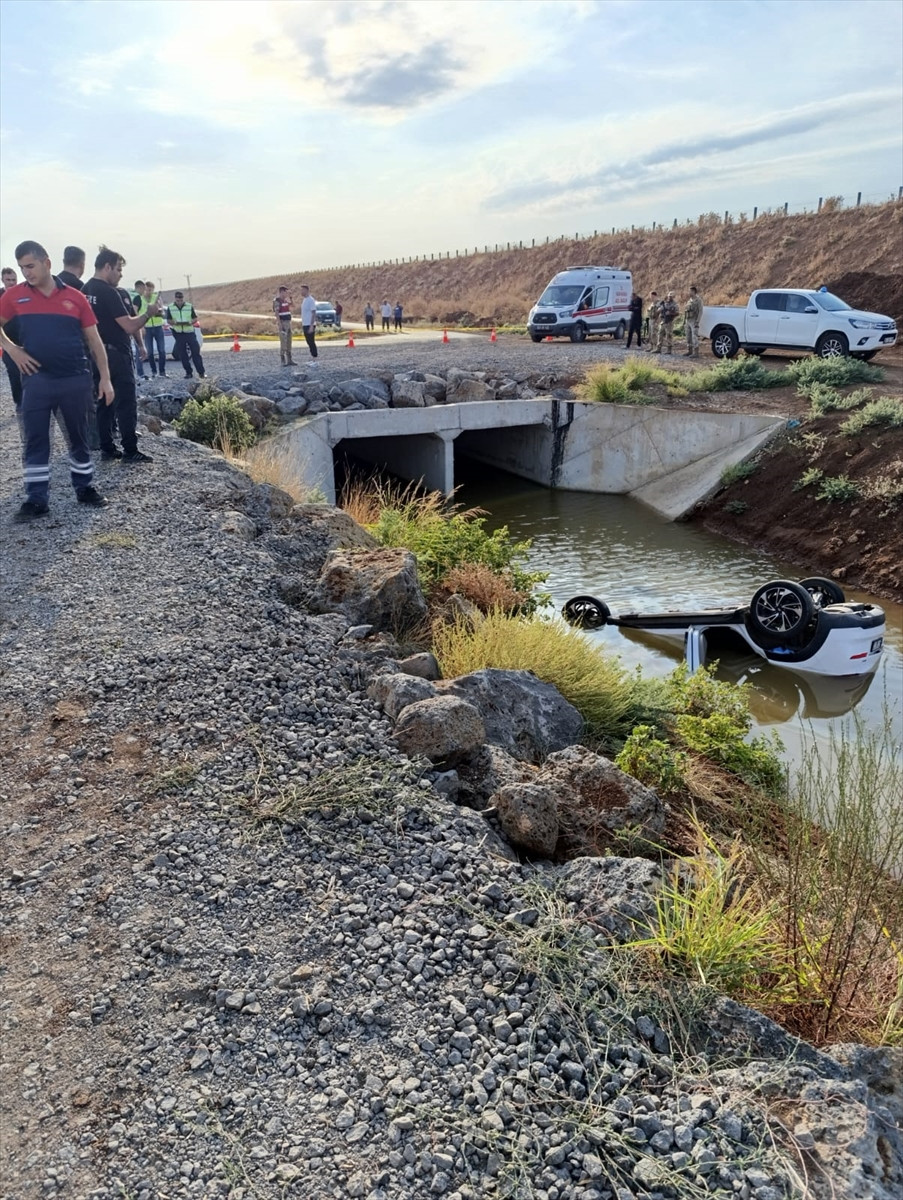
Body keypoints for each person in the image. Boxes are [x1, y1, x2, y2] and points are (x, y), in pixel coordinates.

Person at [0, 240, 112, 520]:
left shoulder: (75, 297)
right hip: (37, 381)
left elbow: (95, 340)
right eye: (22, 267)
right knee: (36, 440)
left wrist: (106, 379)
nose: (26, 273)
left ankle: (85, 488)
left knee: (79, 437)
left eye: (30, 266)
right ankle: (36, 500)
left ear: (47, 263)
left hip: (75, 379)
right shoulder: (14, 296)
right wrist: (12, 350)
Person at [82, 245, 156, 462]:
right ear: (107, 267)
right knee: (125, 402)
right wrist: (149, 313)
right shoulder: (108, 292)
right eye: (118, 269)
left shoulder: (85, 290)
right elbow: (129, 325)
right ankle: (130, 450)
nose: (121, 274)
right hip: (116, 355)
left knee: (103, 402)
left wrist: (140, 345)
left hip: (96, 355)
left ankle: (107, 448)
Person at [165, 291, 206, 379]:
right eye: (178, 299)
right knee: (183, 354)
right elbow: (168, 320)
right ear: (175, 299)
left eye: (181, 299)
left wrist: (190, 322)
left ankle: (201, 373)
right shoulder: (170, 307)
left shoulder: (189, 306)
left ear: (183, 298)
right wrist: (175, 323)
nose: (179, 301)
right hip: (178, 333)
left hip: (189, 331)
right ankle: (188, 372)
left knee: (196, 353)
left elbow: (195, 318)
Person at [1, 266, 23, 415]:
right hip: (6, 343)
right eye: (8, 280)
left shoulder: (22, 295)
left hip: (25, 341)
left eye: (14, 280)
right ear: (3, 280)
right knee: (13, 372)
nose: (11, 282)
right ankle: (19, 402)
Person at [142, 279, 166, 377]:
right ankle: (154, 372)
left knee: (161, 350)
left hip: (158, 327)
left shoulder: (157, 298)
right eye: (147, 290)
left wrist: (158, 312)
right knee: (150, 352)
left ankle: (162, 372)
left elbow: (163, 312)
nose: (149, 292)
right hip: (147, 327)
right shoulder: (141, 299)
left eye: (151, 290)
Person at [273, 285, 295, 366]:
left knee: (289, 341)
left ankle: (289, 359)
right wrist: (279, 324)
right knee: (283, 341)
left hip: (288, 322)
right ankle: (283, 360)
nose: (286, 294)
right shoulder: (277, 301)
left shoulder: (285, 301)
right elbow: (276, 313)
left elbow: (292, 306)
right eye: (286, 292)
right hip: (283, 322)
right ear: (281, 292)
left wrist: (291, 298)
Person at [299, 284, 318, 363]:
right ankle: (312, 358)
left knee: (311, 341)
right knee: (308, 342)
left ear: (306, 290)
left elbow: (313, 312)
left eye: (302, 290)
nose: (301, 292)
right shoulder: (304, 300)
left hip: (310, 324)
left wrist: (311, 326)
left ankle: (315, 359)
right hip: (305, 324)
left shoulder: (311, 300)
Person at [684, 285, 704, 357]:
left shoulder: (698, 300)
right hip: (688, 320)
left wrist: (697, 321)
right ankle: (689, 350)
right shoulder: (689, 300)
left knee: (694, 336)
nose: (689, 293)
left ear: (694, 292)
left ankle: (696, 353)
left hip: (694, 320)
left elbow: (700, 311)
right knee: (688, 336)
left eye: (690, 291)